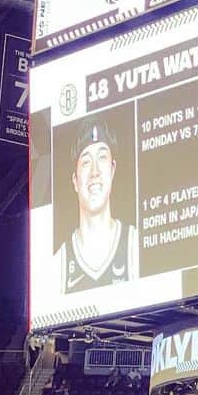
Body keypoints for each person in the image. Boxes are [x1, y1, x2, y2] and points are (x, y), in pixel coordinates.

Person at [55, 120, 139, 293]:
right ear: (75, 181)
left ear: (112, 169)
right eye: (86, 162)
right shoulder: (58, 265)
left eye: (102, 158)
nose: (95, 172)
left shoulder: (136, 245)